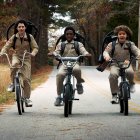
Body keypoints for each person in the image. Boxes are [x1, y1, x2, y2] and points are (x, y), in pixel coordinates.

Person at [0, 19, 38, 107]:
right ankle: (13, 83)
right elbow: (6, 46)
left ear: (25, 28)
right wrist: (2, 53)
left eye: (23, 27)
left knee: (26, 79)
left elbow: (35, 47)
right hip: (16, 56)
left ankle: (27, 98)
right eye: (19, 27)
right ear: (17, 28)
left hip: (26, 57)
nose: (21, 28)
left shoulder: (29, 37)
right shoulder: (14, 37)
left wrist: (33, 53)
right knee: (13, 65)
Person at [51, 26, 91, 106]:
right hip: (64, 63)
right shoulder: (61, 44)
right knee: (59, 75)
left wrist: (86, 54)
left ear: (74, 35)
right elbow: (56, 52)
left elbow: (83, 51)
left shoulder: (78, 44)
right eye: (67, 34)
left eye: (71, 34)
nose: (69, 35)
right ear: (65, 35)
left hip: (74, 63)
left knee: (77, 70)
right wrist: (53, 54)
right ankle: (59, 96)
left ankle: (79, 83)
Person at [103, 25, 140, 104]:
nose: (122, 35)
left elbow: (137, 51)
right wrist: (107, 56)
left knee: (130, 72)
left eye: (124, 34)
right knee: (112, 75)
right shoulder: (112, 44)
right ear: (117, 35)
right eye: (120, 34)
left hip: (126, 63)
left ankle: (131, 83)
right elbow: (106, 52)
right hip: (115, 64)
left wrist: (138, 56)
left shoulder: (130, 44)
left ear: (127, 35)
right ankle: (114, 94)